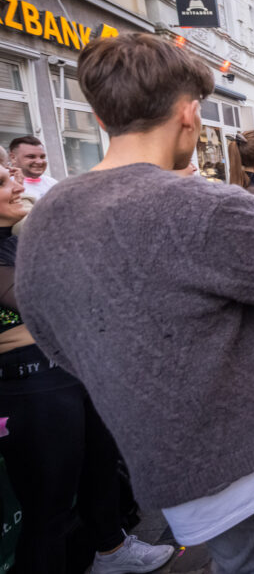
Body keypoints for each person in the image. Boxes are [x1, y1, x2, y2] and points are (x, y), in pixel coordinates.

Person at [14, 33, 254, 571]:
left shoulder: (41, 219)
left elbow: (55, 337)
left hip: (178, 468)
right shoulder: (204, 204)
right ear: (189, 114)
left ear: (100, 117)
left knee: (238, 567)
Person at [0, 164, 175, 574]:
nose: (19, 184)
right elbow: (44, 297)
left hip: (69, 371)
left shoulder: (15, 240)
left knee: (100, 472)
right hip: (30, 389)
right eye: (4, 182)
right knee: (50, 512)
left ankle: (111, 551)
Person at [9, 136, 57, 200]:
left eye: (42, 157)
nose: (39, 162)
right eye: (31, 157)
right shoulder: (5, 185)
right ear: (13, 158)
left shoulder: (53, 184)